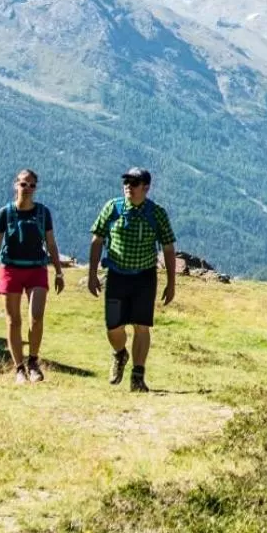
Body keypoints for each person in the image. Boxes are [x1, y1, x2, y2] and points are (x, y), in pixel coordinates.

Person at [86, 167, 176, 393]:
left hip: (145, 277)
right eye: (126, 182)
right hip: (116, 275)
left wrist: (171, 282)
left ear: (146, 187)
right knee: (113, 327)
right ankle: (120, 353)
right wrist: (92, 274)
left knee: (142, 326)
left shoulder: (157, 213)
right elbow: (97, 239)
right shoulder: (112, 208)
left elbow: (168, 247)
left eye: (134, 183)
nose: (128, 186)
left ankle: (138, 375)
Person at [0, 168, 65, 384]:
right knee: (13, 321)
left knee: (36, 317)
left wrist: (59, 271)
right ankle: (19, 368)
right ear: (15, 185)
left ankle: (33, 362)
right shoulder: (5, 213)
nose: (27, 189)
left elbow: (51, 243)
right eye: (23, 184)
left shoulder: (43, 213)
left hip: (37, 269)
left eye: (32, 185)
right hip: (10, 269)